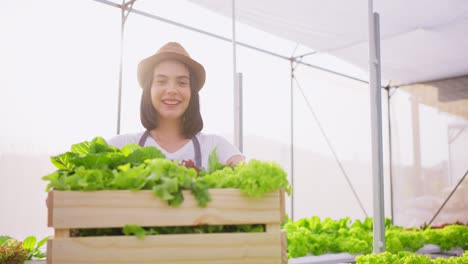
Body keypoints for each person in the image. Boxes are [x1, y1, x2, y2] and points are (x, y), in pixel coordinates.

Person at [108, 42, 244, 169]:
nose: (172, 90)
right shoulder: (120, 146)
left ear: (192, 92)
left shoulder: (216, 147)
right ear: (149, 90)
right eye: (161, 81)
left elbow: (249, 177)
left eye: (182, 82)